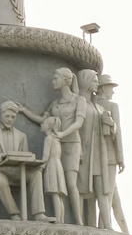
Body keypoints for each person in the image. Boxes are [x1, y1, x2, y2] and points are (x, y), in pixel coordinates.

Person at [18, 69, 86, 225]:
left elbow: (79, 123)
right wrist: (24, 111)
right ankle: (61, 218)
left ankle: (79, 221)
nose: (53, 81)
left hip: (71, 143)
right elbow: (42, 120)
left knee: (71, 183)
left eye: (56, 78)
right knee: (56, 184)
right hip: (56, 143)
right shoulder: (55, 104)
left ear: (66, 80)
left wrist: (62, 134)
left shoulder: (79, 100)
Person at [0, 101, 50, 221]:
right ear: (1, 115)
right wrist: (2, 157)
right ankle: (14, 214)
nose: (10, 119)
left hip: (16, 171)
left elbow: (25, 156)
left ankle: (39, 214)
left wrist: (31, 160)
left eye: (13, 117)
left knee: (36, 174)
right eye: (7, 116)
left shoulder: (21, 136)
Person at [76, 69, 114, 229]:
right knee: (79, 188)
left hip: (98, 154)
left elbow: (111, 129)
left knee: (102, 190)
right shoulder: (78, 103)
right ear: (85, 81)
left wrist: (111, 124)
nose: (97, 84)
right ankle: (78, 222)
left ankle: (108, 225)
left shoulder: (97, 106)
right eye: (94, 80)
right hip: (82, 153)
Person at [96, 74, 129, 233]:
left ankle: (125, 231)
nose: (113, 92)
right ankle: (103, 228)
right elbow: (118, 133)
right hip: (109, 156)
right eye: (111, 88)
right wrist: (120, 158)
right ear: (103, 88)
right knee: (107, 193)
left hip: (97, 155)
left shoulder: (92, 103)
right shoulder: (112, 106)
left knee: (112, 196)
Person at [40, 116, 67, 222]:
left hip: (51, 166)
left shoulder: (48, 139)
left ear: (49, 126)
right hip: (58, 166)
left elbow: (45, 156)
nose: (41, 124)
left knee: (55, 194)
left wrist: (41, 167)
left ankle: (58, 220)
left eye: (44, 123)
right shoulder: (56, 139)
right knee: (59, 196)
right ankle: (62, 219)